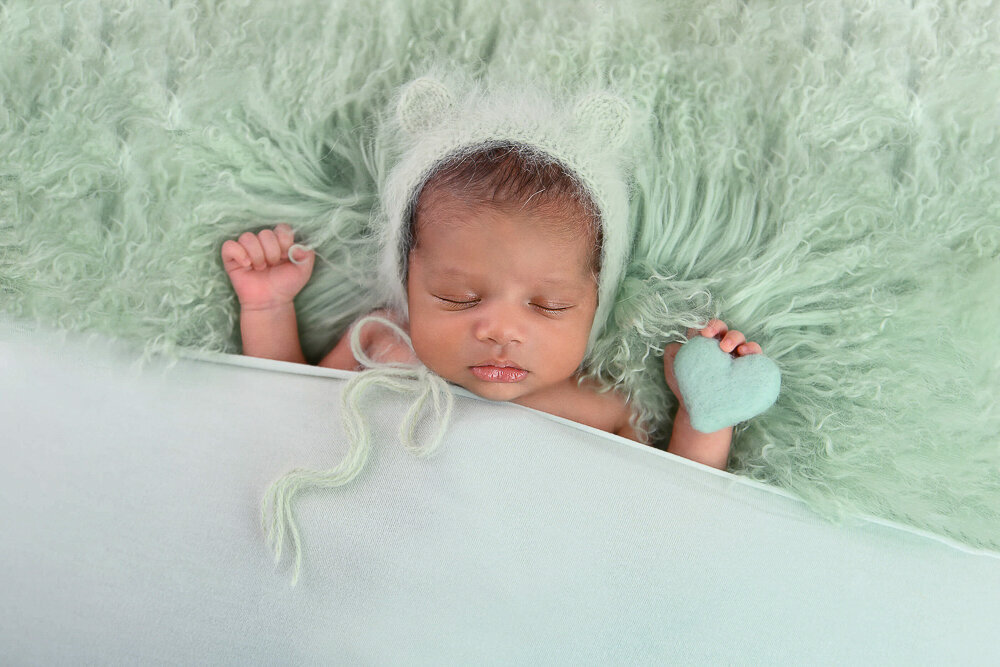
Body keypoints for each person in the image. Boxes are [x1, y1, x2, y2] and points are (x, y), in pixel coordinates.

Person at [221, 143, 764, 470]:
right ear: (408, 284)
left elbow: (671, 516)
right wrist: (269, 310)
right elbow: (283, 419)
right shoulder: (383, 343)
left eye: (549, 305)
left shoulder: (603, 405)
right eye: (459, 298)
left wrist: (703, 417)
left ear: (594, 305)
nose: (501, 330)